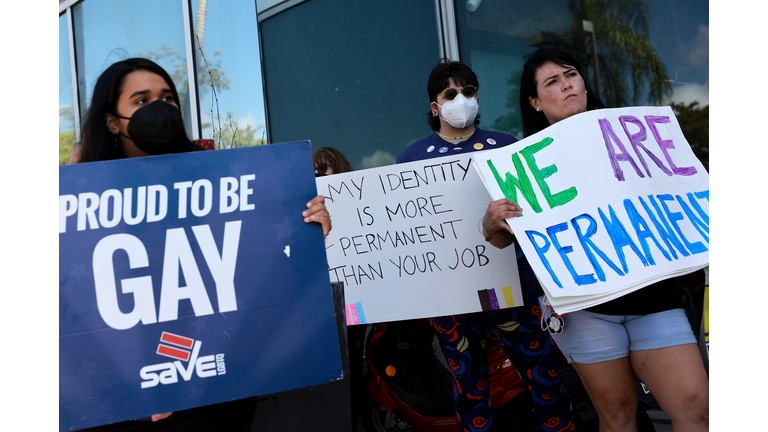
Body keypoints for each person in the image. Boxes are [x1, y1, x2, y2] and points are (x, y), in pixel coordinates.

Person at [72, 57, 331, 431]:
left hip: (219, 392)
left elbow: (258, 270)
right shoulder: (80, 205)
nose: (159, 109)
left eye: (167, 98)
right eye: (141, 101)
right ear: (112, 120)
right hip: (131, 403)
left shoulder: (221, 184)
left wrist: (307, 232)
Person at [481, 47, 709, 431]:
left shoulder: (634, 141)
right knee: (617, 416)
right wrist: (491, 222)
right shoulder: (520, 167)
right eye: (551, 82)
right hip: (585, 309)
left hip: (653, 296)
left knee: (697, 406)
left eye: (570, 74)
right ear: (535, 102)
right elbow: (500, 240)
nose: (566, 84)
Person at [398, 59, 575, 432]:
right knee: (470, 391)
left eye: (469, 91)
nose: (461, 98)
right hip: (451, 298)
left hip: (514, 286)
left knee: (544, 379)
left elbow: (531, 214)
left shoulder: (506, 147)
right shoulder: (411, 159)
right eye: (451, 93)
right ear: (435, 106)